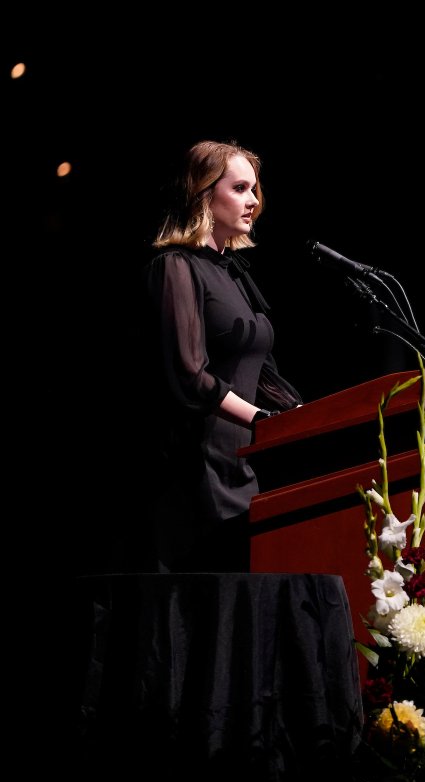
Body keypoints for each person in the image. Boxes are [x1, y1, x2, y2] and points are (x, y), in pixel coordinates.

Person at [131, 139, 304, 573]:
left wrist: (304, 416)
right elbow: (190, 375)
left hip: (242, 464)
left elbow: (263, 374)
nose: (253, 201)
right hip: (195, 468)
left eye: (255, 190)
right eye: (241, 188)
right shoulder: (175, 267)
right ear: (205, 194)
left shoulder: (234, 274)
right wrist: (262, 421)